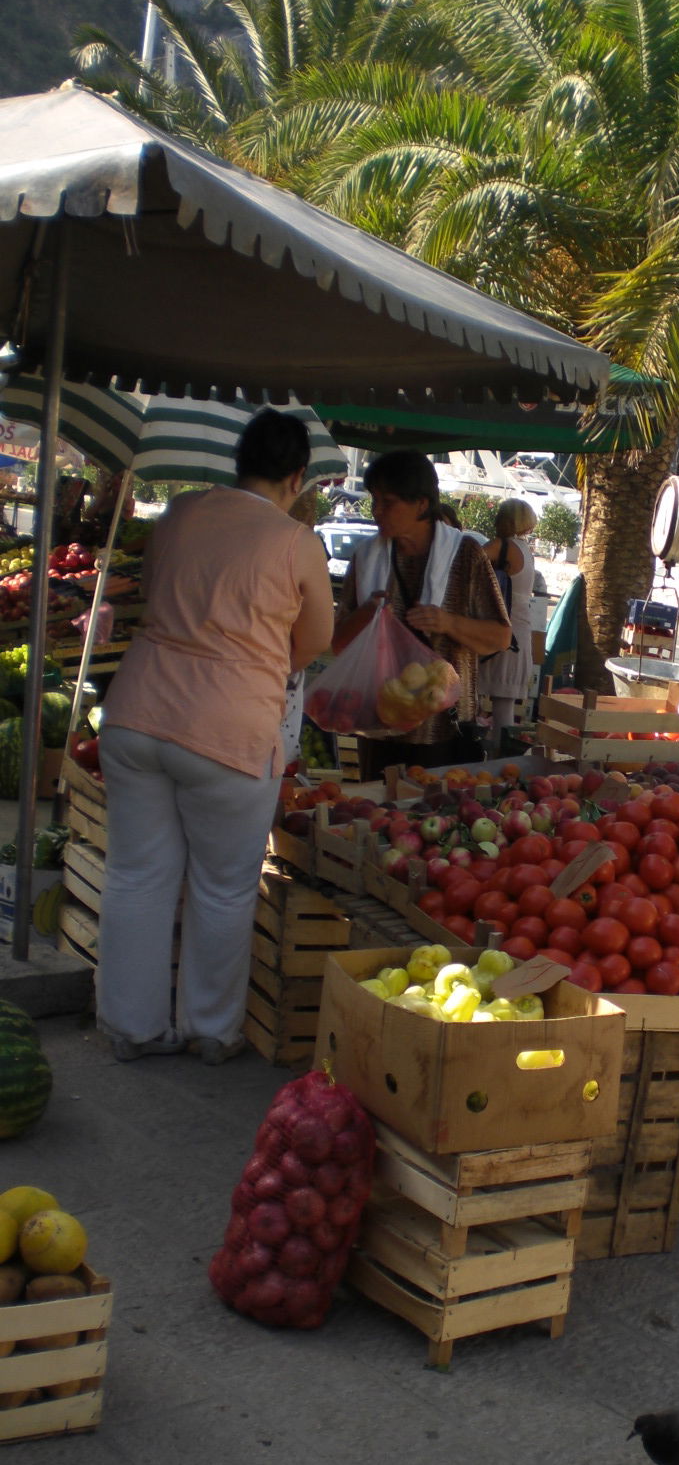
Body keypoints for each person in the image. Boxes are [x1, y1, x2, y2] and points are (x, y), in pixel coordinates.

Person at [96, 409, 334, 1065]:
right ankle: (210, 1030)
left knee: (138, 876)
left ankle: (132, 1027)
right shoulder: (296, 541)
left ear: (239, 459)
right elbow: (314, 640)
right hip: (228, 731)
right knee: (224, 886)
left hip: (136, 711)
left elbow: (151, 591)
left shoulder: (180, 513)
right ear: (297, 476)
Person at [333, 450, 511, 774]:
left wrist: (448, 622)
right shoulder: (365, 557)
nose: (376, 511)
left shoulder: (466, 555)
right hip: (378, 723)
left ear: (421, 504)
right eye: (374, 500)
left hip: (444, 728)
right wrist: (367, 613)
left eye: (388, 502)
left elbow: (500, 636)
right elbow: (338, 644)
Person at [478, 497, 538, 751]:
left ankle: (492, 760)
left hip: (500, 632)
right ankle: (501, 763)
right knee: (504, 706)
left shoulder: (502, 547)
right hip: (519, 634)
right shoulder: (526, 551)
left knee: (482, 701)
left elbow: (467, 561)